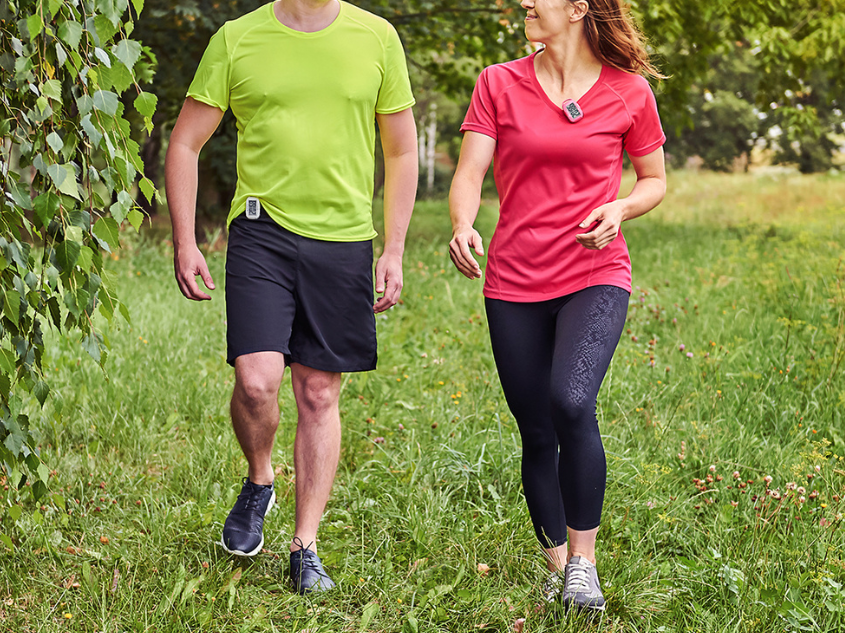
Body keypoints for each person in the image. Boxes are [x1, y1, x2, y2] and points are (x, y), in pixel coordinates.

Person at [165, 0, 417, 595]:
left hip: (345, 238)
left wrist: (395, 249)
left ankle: (305, 545)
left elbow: (402, 151)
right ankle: (259, 479)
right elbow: (184, 144)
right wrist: (185, 240)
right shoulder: (236, 39)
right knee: (256, 382)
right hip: (261, 231)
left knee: (319, 389)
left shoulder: (377, 38)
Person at [448, 0, 666, 612]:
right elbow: (469, 173)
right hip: (513, 280)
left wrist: (620, 207)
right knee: (536, 429)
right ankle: (557, 568)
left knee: (571, 400)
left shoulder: (629, 93)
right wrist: (464, 223)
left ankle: (584, 565)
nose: (524, 4)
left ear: (577, 8)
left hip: (595, 272)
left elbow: (653, 179)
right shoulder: (498, 82)